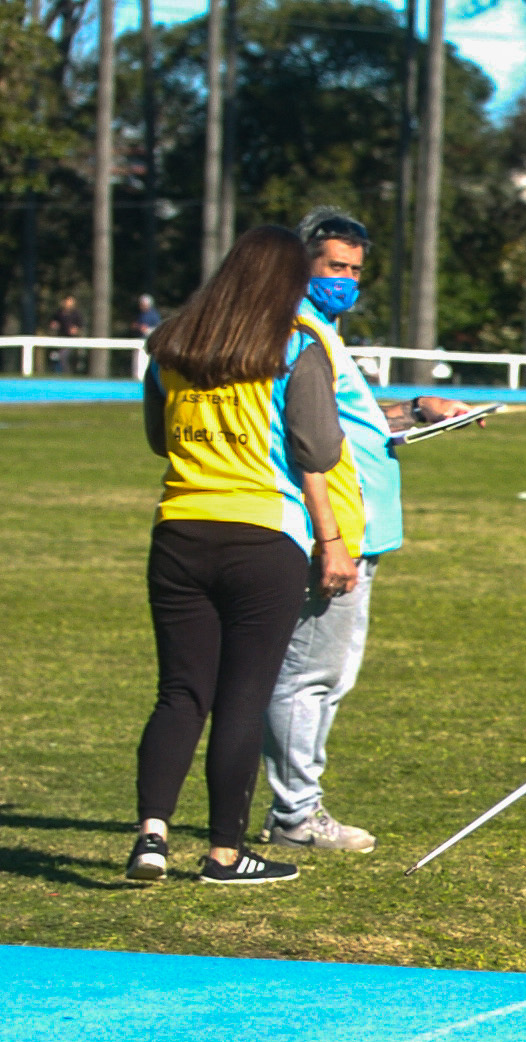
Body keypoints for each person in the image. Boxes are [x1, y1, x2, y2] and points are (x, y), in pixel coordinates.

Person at [126, 226, 365, 886]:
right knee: (241, 700)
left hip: (178, 531)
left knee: (179, 694)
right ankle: (225, 854)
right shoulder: (294, 346)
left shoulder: (171, 343)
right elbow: (317, 450)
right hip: (263, 536)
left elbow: (157, 437)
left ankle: (151, 835)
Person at [258, 209, 475, 852]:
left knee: (332, 675)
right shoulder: (296, 334)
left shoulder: (325, 331)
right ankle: (296, 812)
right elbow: (303, 435)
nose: (346, 280)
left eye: (355, 269)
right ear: (302, 265)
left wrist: (412, 411)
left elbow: (347, 422)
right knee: (308, 675)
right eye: (334, 267)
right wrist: (330, 538)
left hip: (365, 526)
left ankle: (297, 806)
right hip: (336, 529)